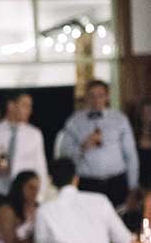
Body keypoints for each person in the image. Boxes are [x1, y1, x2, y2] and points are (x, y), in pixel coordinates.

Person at [59, 79, 139, 208]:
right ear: (86, 97)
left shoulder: (119, 119)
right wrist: (83, 146)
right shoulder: (74, 121)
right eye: (92, 96)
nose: (96, 100)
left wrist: (133, 186)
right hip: (88, 183)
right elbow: (64, 154)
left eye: (100, 95)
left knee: (118, 220)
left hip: (116, 182)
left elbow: (131, 155)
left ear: (107, 97)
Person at [0, 92, 48, 210]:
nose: (29, 110)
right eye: (25, 106)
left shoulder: (34, 134)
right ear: (11, 106)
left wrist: (39, 198)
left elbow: (41, 167)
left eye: (30, 106)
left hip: (24, 195)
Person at [131, 98, 151, 189]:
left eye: (149, 112)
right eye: (144, 112)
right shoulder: (132, 133)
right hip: (139, 182)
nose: (146, 115)